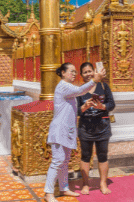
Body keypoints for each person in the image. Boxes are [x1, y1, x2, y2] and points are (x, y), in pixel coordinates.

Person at [44, 62, 105, 202]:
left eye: (75, 72)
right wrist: (94, 80)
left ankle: (64, 188)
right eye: (71, 71)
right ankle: (48, 193)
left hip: (67, 130)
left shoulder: (69, 87)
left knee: (64, 162)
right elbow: (80, 91)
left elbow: (78, 95)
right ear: (63, 73)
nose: (73, 74)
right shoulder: (63, 86)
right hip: (59, 130)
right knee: (58, 161)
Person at [76, 62, 115, 195]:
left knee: (102, 156)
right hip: (85, 127)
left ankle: (103, 183)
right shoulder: (80, 90)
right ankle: (85, 183)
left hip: (102, 126)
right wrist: (84, 107)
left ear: (94, 72)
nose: (88, 74)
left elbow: (112, 104)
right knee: (86, 156)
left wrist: (103, 107)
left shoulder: (104, 86)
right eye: (85, 72)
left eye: (90, 71)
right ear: (81, 75)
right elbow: (75, 110)